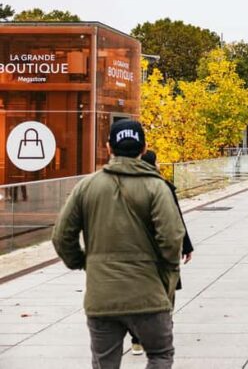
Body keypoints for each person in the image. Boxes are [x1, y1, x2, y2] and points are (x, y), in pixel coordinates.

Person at [52, 119, 185, 369]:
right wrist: (165, 273)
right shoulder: (157, 187)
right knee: (160, 355)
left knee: (104, 363)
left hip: (102, 297)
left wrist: (83, 262)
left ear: (108, 147)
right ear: (144, 148)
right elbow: (172, 238)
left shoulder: (87, 186)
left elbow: (61, 236)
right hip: (148, 295)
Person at [125, 150, 194, 356]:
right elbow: (176, 219)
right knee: (165, 291)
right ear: (154, 165)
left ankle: (137, 339)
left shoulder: (127, 187)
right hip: (162, 249)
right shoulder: (163, 187)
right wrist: (186, 245)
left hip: (136, 250)